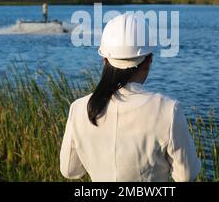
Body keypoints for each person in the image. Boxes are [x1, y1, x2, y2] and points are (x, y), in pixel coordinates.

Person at [60, 13, 200, 182]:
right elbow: (186, 176)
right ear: (149, 60)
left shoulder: (80, 108)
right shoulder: (168, 109)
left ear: (105, 60)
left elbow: (69, 170)